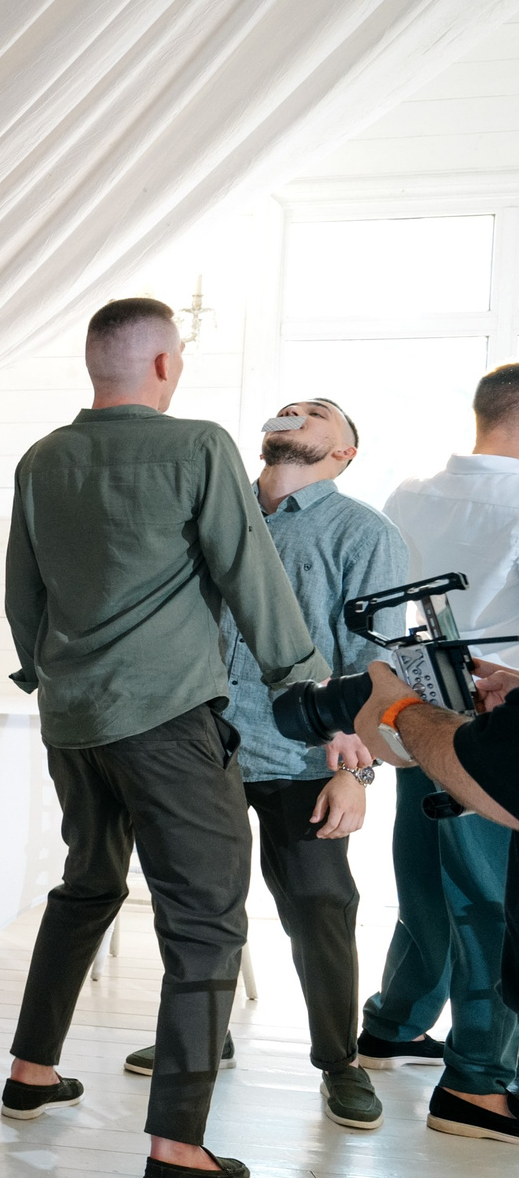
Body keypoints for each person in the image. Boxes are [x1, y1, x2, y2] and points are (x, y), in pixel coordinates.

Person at [1, 298, 326, 1178]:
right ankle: (178, 1146)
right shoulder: (198, 447)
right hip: (170, 721)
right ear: (158, 366)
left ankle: (31, 1067)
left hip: (73, 721)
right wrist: (306, 682)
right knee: (207, 919)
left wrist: (49, 681)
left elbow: (23, 595)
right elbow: (248, 570)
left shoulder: (41, 459)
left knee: (90, 884)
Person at [140, 400, 401, 1132]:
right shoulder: (208, 518)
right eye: (291, 404)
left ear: (345, 452)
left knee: (321, 909)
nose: (299, 409)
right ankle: (201, 1035)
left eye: (320, 413)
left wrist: (358, 770)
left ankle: (339, 1060)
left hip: (306, 758)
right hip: (201, 749)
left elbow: (378, 665)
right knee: (194, 909)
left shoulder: (364, 534)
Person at [360, 364, 519, 1141]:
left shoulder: (407, 495)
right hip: (499, 718)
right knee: (493, 905)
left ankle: (391, 1023)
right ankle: (478, 1082)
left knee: (427, 882)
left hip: (410, 709)